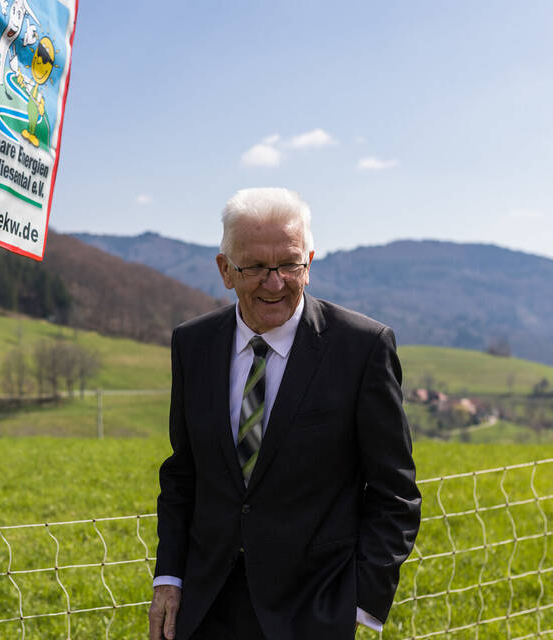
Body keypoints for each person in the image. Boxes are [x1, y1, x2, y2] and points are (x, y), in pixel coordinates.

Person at [149, 188, 421, 639]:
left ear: (309, 264)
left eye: (289, 264)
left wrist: (358, 603)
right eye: (254, 266)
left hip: (312, 609)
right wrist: (170, 577)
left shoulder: (362, 348)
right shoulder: (192, 344)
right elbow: (183, 473)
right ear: (225, 270)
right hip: (203, 604)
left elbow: (396, 493)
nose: (274, 283)